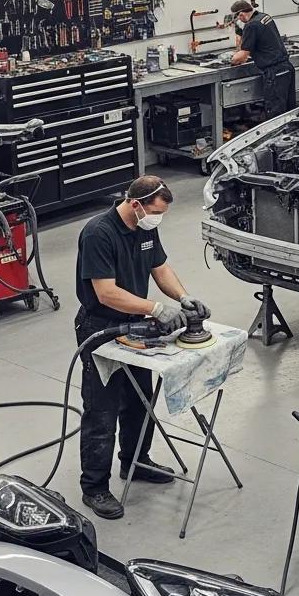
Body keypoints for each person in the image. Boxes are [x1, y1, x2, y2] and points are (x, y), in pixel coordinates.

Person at [74, 176, 210, 519]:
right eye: (155, 212)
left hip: (135, 324)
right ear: (136, 204)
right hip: (101, 327)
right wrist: (155, 308)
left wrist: (182, 297)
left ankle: (136, 462)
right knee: (102, 409)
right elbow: (106, 293)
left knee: (139, 399)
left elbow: (159, 268)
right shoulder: (98, 233)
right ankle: (94, 487)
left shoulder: (144, 226)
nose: (157, 218)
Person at [230, 0, 296, 119]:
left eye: (238, 17)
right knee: (289, 111)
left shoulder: (251, 25)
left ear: (242, 14)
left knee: (275, 113)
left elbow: (242, 56)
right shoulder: (264, 17)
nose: (239, 20)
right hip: (286, 68)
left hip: (274, 72)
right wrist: (240, 33)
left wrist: (232, 60)